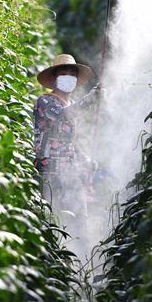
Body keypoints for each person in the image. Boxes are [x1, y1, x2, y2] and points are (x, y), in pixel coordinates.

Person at [33, 54, 100, 217]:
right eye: (63, 73)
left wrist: (85, 160)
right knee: (53, 218)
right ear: (55, 78)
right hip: (50, 174)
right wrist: (90, 99)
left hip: (70, 173)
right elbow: (62, 115)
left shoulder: (70, 103)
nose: (68, 77)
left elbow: (70, 142)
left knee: (78, 219)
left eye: (72, 74)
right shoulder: (45, 102)